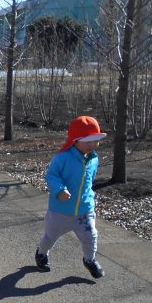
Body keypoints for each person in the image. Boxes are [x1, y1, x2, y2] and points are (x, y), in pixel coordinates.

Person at [35, 116, 107, 278]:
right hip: (60, 210)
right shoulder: (62, 158)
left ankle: (89, 260)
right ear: (75, 141)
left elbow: (90, 180)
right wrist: (60, 190)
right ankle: (41, 253)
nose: (93, 145)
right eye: (88, 141)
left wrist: (88, 198)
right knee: (50, 236)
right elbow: (52, 176)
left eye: (96, 141)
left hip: (84, 209)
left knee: (91, 236)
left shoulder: (93, 159)